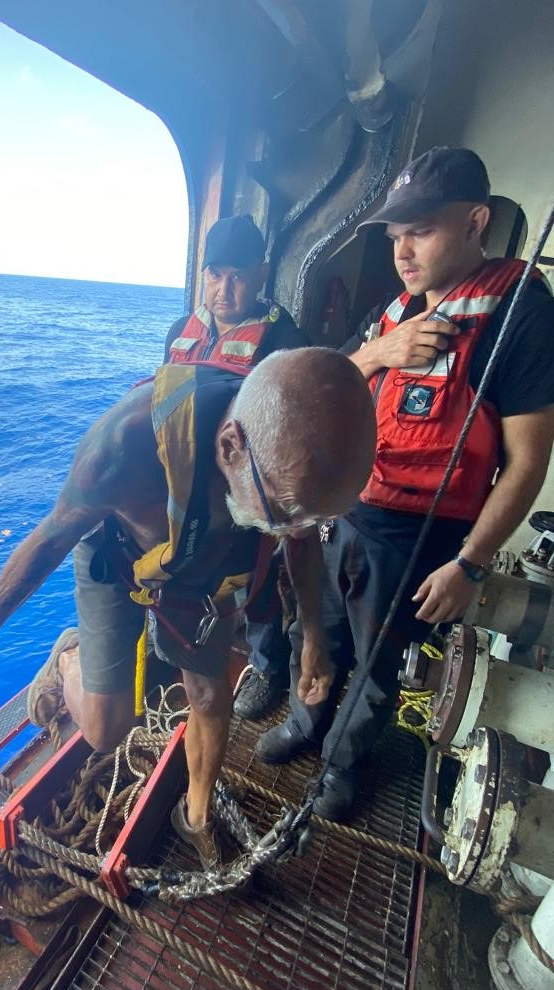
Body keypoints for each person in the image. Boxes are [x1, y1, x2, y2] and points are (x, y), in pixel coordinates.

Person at [0, 347, 376, 868]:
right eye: (283, 514)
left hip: (201, 567)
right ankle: (69, 657)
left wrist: (312, 636)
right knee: (106, 731)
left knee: (209, 695)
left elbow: (300, 536)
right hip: (119, 555)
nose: (295, 530)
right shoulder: (120, 450)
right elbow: (50, 538)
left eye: (306, 518)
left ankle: (195, 816)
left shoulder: (286, 464)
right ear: (230, 447)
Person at [256, 146, 554, 823]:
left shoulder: (526, 322)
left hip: (420, 537)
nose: (403, 250)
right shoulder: (395, 313)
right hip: (346, 512)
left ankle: (342, 761)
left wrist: (470, 566)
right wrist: (378, 352)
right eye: (396, 234)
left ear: (475, 221)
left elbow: (527, 466)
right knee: (318, 629)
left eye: (421, 229)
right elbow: (326, 387)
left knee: (380, 660)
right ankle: (306, 721)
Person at [165, 214, 309, 720]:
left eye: (239, 276)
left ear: (262, 275)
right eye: (215, 274)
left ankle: (269, 666)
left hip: (248, 490)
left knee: (257, 581)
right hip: (187, 487)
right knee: (191, 572)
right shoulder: (180, 331)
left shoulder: (282, 339)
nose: (224, 289)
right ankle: (193, 644)